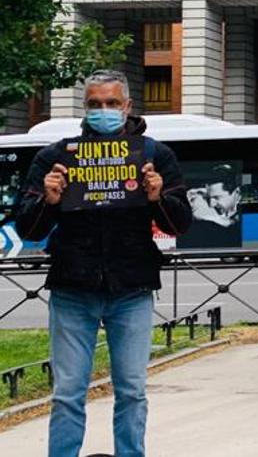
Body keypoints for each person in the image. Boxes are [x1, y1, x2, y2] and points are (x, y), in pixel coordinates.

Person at [15, 70, 192, 457]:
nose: (104, 111)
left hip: (132, 288)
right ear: (85, 108)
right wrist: (49, 199)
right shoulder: (56, 156)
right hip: (71, 289)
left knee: (132, 391)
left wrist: (157, 196)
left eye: (112, 104)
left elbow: (180, 222)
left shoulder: (154, 155)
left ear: (127, 107)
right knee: (66, 394)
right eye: (95, 104)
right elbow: (27, 227)